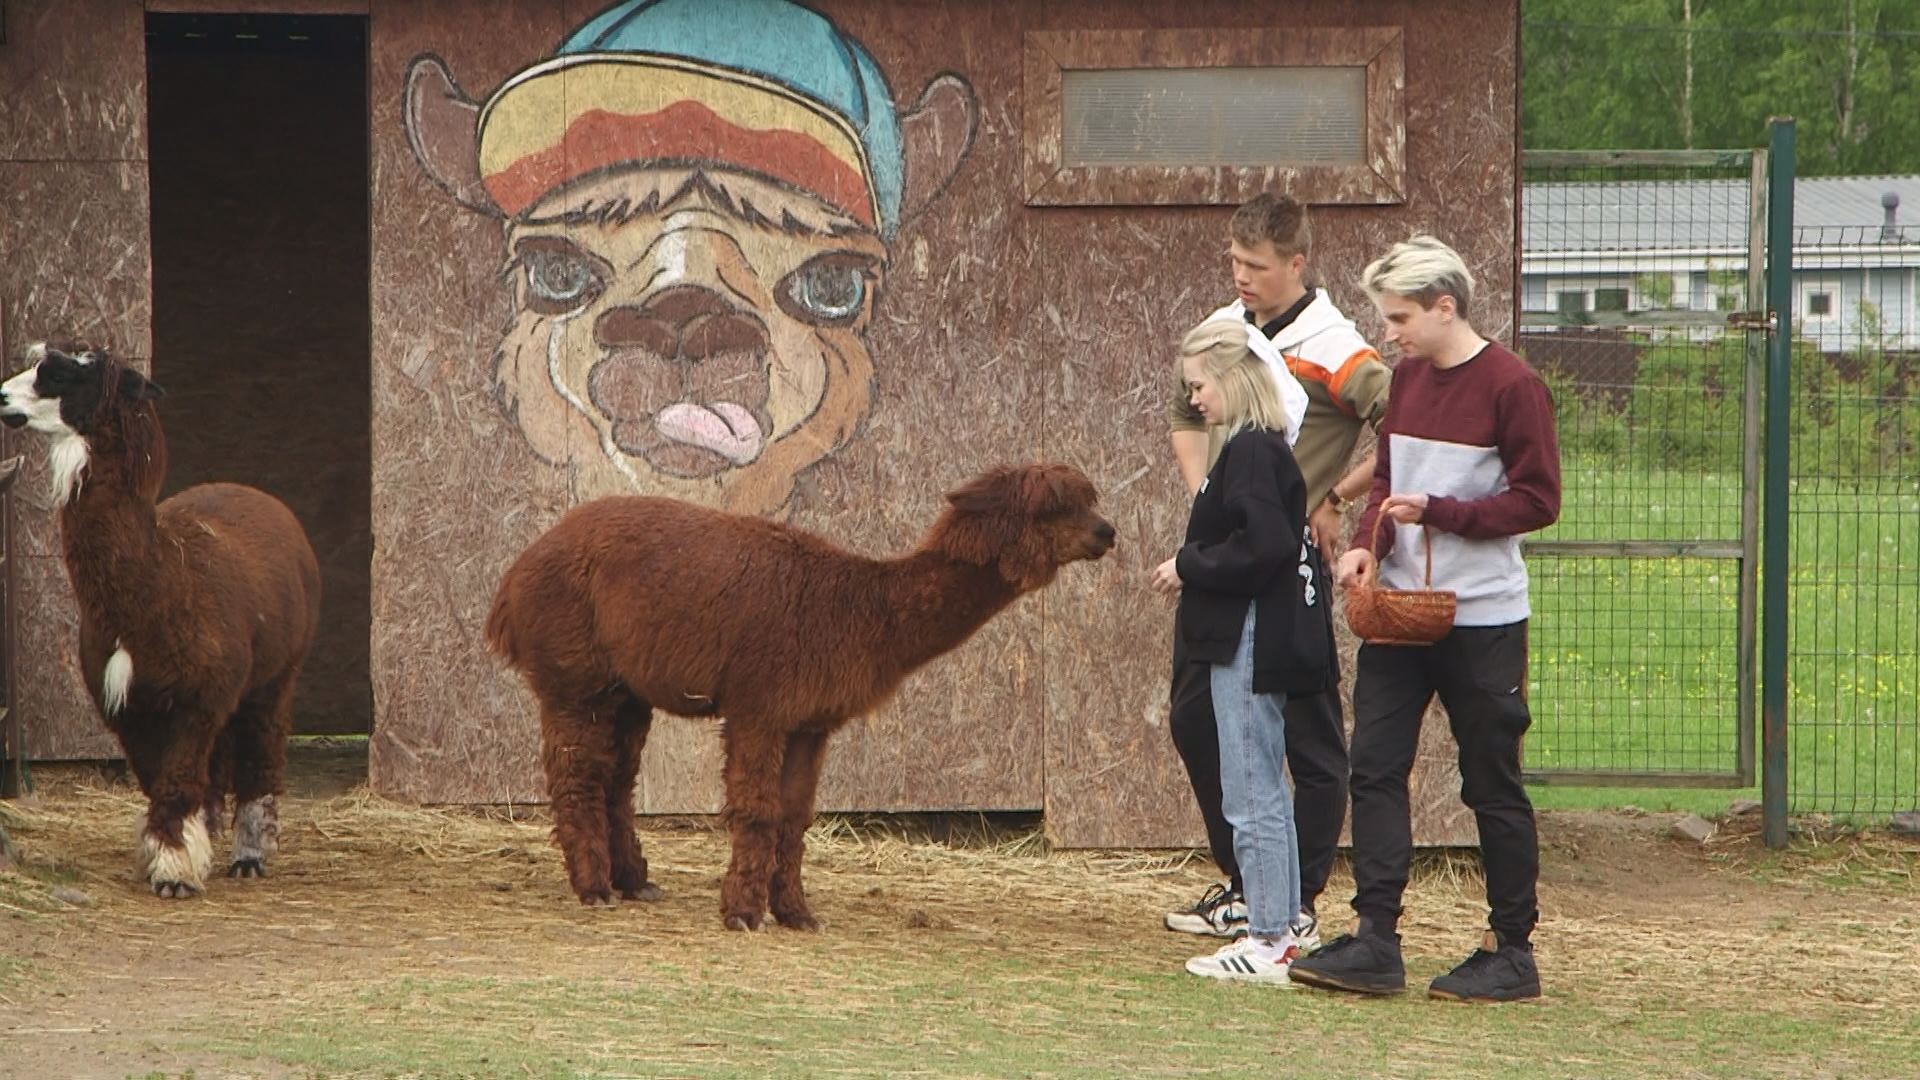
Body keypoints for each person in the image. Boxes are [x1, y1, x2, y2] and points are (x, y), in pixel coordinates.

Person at [1286, 235, 1561, 1003]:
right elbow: (1390, 487)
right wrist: (1372, 546)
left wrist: (1440, 513)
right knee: (1373, 767)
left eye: (1401, 316)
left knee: (1490, 780)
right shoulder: (1406, 380)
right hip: (1400, 614)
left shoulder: (1514, 387)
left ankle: (1511, 948)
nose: (1391, 333)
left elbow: (1539, 500)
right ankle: (1377, 938)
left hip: (1483, 619)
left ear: (1447, 307)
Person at [1163, 193, 1391, 947]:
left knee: (1308, 735)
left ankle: (1301, 894)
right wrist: (1205, 493)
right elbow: (1184, 413)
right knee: (1198, 716)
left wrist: (1331, 494)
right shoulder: (1225, 332)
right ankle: (1250, 883)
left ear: (1297, 262)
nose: (1241, 276)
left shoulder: (1337, 344)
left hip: (1284, 564)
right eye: (1233, 261)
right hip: (1230, 555)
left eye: (1256, 266)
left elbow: (1398, 414)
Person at [1151, 319, 1333, 984]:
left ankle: (1264, 938)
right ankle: (1281, 929)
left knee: (1251, 787)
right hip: (1259, 630)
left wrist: (1188, 563)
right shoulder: (1262, 448)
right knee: (1263, 788)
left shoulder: (1253, 451)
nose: (1194, 399)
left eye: (1199, 385)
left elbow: (1266, 547)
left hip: (1249, 633)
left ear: (1232, 376)